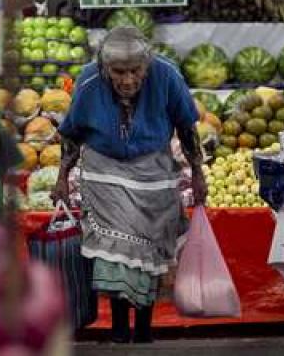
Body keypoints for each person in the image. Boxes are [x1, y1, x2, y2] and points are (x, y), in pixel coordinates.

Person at [52, 26, 207, 344]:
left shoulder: (166, 76)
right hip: (104, 173)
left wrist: (197, 171)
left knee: (150, 252)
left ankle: (144, 329)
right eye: (118, 71)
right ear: (104, 66)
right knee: (116, 255)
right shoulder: (89, 80)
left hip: (153, 171)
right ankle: (120, 329)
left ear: (147, 65)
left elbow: (186, 126)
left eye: (135, 71)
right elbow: (72, 132)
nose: (127, 80)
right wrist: (61, 177)